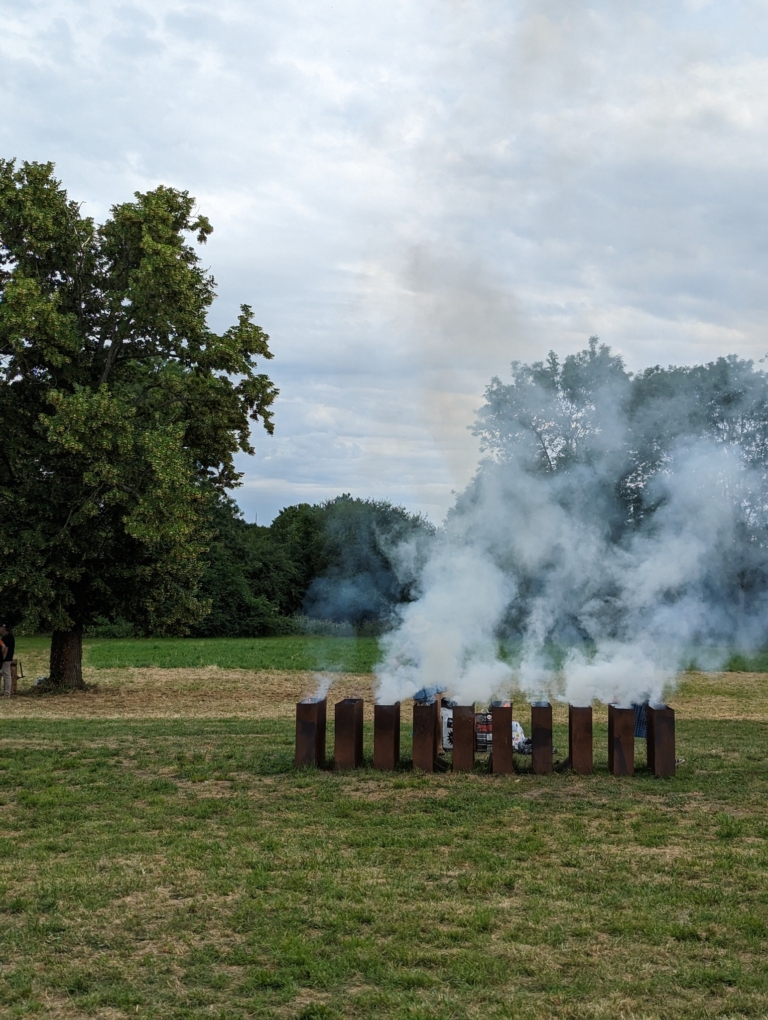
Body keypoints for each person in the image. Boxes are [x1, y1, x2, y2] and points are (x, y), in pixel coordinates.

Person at [0, 624, 15, 697]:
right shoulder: (4, 637)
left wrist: (3, 658)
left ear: (4, 628)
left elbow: (5, 648)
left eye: (1, 627)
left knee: (7, 675)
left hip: (6, 659)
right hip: (4, 659)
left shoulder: (8, 637)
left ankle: (7, 693)